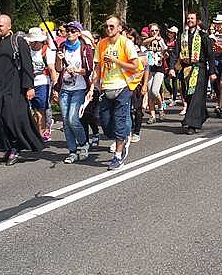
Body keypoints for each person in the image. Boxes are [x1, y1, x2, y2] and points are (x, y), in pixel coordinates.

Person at [0, 14, 44, 166]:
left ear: (9, 26)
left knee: (12, 118)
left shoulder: (17, 41)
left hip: (14, 87)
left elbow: (27, 65)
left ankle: (16, 147)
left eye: (0, 26)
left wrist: (29, 87)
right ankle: (9, 146)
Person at [92, 16, 144, 170]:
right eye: (106, 26)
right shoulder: (101, 44)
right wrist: (93, 84)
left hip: (123, 87)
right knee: (104, 121)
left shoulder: (126, 43)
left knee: (120, 120)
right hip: (106, 87)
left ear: (119, 28)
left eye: (112, 26)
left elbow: (135, 66)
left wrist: (116, 61)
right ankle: (122, 136)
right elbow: (97, 66)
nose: (108, 29)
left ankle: (118, 156)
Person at [168, 12, 217, 134]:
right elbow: (175, 53)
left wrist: (212, 71)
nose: (190, 20)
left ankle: (192, 124)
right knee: (188, 95)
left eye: (192, 18)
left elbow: (210, 55)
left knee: (195, 95)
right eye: (188, 18)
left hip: (199, 69)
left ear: (197, 20)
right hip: (186, 69)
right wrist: (171, 68)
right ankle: (201, 115)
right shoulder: (182, 36)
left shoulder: (203, 36)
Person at [53, 21, 94, 164]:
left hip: (79, 88)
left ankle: (83, 144)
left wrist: (75, 70)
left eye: (72, 30)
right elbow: (58, 69)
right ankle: (72, 151)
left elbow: (88, 70)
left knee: (73, 119)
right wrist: (59, 59)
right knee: (65, 122)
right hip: (65, 89)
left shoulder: (85, 48)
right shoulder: (62, 47)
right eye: (68, 30)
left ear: (78, 33)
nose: (69, 33)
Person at [25, 27, 58, 142]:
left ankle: (42, 133)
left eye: (36, 41)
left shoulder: (46, 51)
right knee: (33, 110)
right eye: (32, 41)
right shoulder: (26, 51)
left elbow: (52, 69)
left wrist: (55, 87)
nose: (33, 44)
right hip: (29, 82)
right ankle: (35, 133)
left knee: (41, 109)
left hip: (43, 82)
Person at [142, 23, 168, 124]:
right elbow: (143, 43)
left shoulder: (161, 40)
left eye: (156, 30)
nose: (154, 32)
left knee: (155, 91)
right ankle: (152, 115)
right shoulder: (147, 41)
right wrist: (153, 38)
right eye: (152, 31)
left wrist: (164, 54)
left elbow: (165, 49)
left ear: (159, 31)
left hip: (159, 68)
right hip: (149, 68)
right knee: (150, 93)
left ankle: (161, 107)